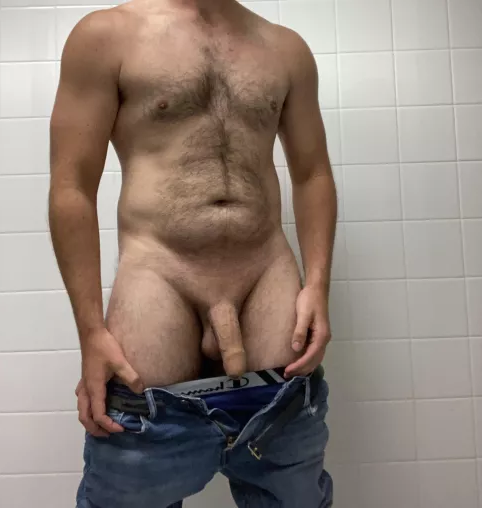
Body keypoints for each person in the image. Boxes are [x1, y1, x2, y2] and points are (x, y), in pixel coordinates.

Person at [48, 0, 337, 506]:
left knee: (292, 491)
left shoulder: (286, 50)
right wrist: (90, 331)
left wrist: (318, 284)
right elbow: (72, 186)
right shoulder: (107, 36)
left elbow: (312, 173)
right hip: (159, 274)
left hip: (265, 274)